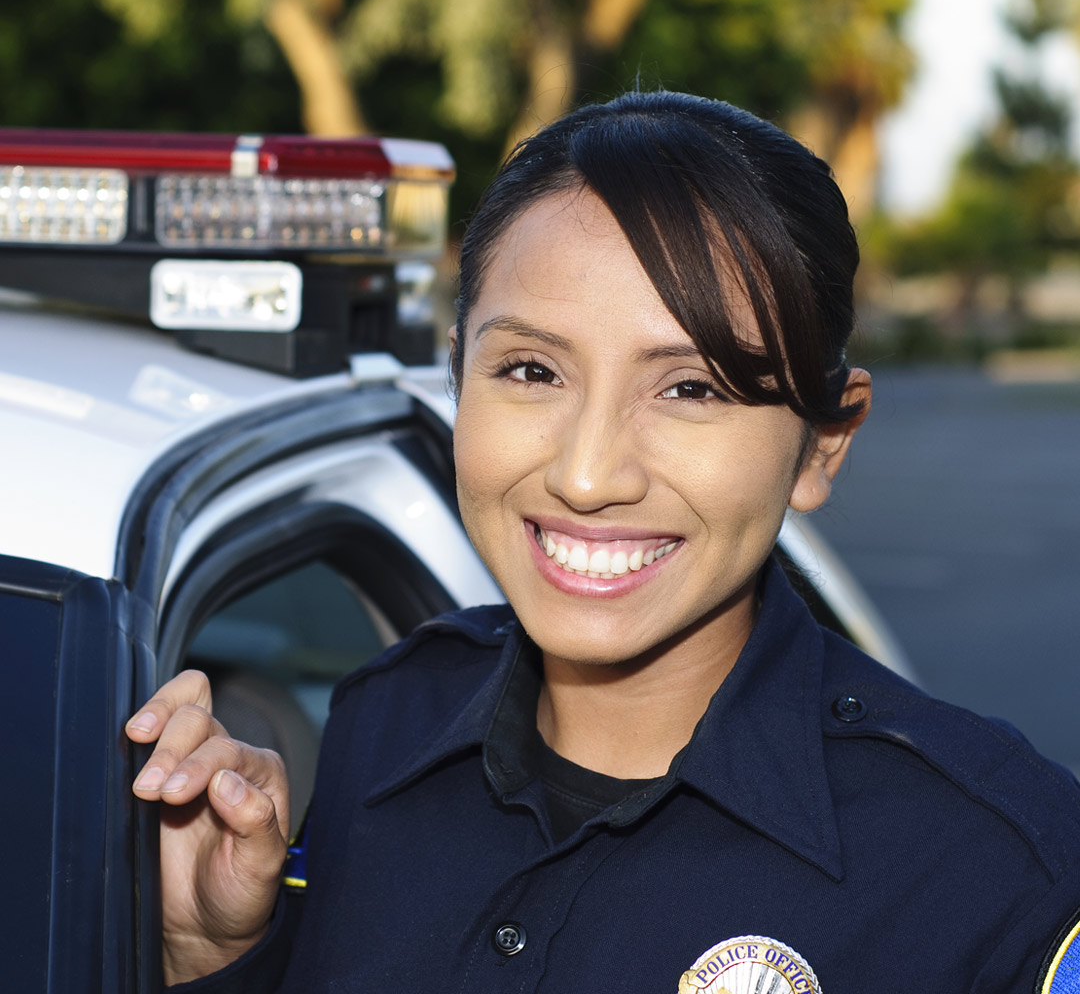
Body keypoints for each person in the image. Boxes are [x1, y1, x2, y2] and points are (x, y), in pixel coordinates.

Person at [127, 91, 1080, 994]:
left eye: (692, 389)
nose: (587, 476)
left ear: (822, 445)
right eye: (533, 370)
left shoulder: (996, 876)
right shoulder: (386, 721)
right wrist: (215, 954)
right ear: (461, 379)